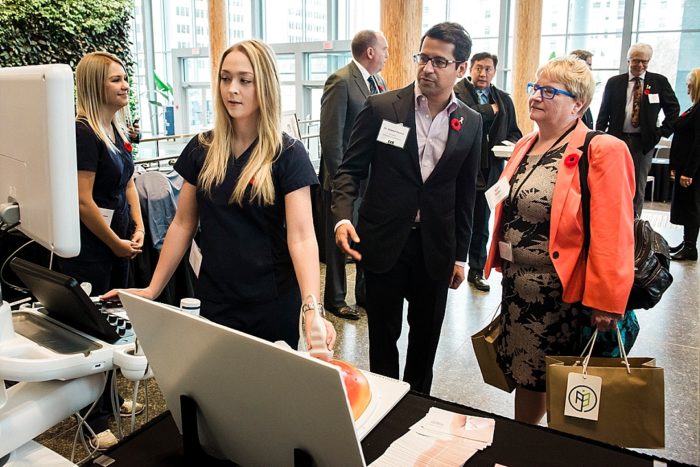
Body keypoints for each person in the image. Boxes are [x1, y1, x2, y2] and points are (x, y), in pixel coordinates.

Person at [105, 40, 335, 353]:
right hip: (215, 298)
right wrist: (153, 288)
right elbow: (183, 224)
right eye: (225, 79)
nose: (232, 90)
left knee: (264, 393)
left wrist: (312, 309)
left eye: (244, 80)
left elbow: (302, 237)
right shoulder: (202, 148)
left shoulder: (288, 154)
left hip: (270, 301)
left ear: (265, 85)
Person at [484, 56, 635, 424]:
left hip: (566, 296)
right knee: (526, 377)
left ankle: (556, 453)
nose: (536, 96)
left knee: (566, 393)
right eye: (534, 87)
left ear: (578, 104)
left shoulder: (602, 149)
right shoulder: (525, 145)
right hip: (521, 292)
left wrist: (607, 301)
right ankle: (524, 449)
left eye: (548, 91)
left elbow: (614, 232)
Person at [332, 22, 481, 394]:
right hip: (383, 243)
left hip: (436, 246)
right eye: (423, 58)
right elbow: (349, 170)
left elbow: (466, 193)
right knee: (382, 337)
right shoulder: (382, 107)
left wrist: (461, 256)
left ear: (460, 68)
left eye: (439, 62)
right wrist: (341, 219)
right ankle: (384, 406)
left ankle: (418, 408)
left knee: (425, 340)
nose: (428, 68)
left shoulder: (472, 122)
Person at [53, 51, 145, 450]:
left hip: (119, 242)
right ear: (95, 86)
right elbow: (83, 201)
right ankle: (95, 418)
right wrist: (116, 243)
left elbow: (128, 182)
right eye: (115, 80)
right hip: (93, 248)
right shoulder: (82, 133)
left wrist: (139, 225)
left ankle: (107, 397)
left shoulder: (113, 128)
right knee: (91, 331)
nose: (125, 85)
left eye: (125, 78)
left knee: (111, 326)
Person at [319, 30, 389, 320]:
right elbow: (331, 137)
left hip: (372, 178)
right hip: (344, 180)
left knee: (365, 238)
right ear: (370, 52)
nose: (387, 55)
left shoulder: (379, 83)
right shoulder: (341, 81)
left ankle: (364, 294)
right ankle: (335, 299)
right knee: (338, 243)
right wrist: (341, 184)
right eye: (384, 49)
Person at [454, 52, 522, 292]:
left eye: (488, 69)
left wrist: (507, 145)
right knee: (457, 218)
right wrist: (489, 111)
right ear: (470, 69)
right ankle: (451, 264)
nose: (483, 74)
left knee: (482, 221)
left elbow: (515, 132)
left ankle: (477, 270)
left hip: (491, 168)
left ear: (494, 72)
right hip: (462, 168)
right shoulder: (456, 93)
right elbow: (469, 117)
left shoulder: (503, 100)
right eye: (479, 68)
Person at [596, 43, 680, 216]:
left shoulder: (659, 82)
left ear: (648, 61)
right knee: (613, 182)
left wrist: (661, 133)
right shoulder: (614, 82)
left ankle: (634, 225)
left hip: (643, 143)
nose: (640, 65)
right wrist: (598, 136)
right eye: (636, 61)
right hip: (616, 140)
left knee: (637, 185)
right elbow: (603, 113)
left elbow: (673, 110)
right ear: (628, 60)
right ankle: (611, 219)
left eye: (644, 61)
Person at [668, 68, 700, 261]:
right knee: (687, 206)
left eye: (689, 85)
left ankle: (690, 247)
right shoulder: (694, 108)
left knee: (692, 207)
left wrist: (688, 172)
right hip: (685, 168)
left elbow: (698, 145)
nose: (687, 89)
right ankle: (687, 242)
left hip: (692, 171)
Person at [569, 49, 594, 129]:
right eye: (589, 64)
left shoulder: (583, 86)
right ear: (580, 64)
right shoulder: (570, 89)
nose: (591, 68)